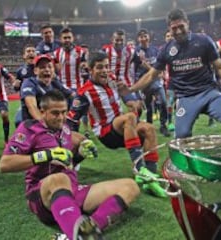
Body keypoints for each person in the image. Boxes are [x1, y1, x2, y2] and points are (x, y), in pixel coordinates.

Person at [118, 9, 221, 189]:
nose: (177, 31)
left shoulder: (203, 41)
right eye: (173, 28)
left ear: (187, 23)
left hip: (210, 93)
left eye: (180, 26)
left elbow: (220, 67)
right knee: (181, 136)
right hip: (185, 98)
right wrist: (131, 89)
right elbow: (152, 74)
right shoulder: (167, 49)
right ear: (169, 28)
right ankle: (186, 171)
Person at [0, 90, 139, 240]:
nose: (60, 118)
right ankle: (78, 233)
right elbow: (4, 164)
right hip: (41, 194)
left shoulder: (65, 129)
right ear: (42, 112)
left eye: (64, 112)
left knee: (130, 187)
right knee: (58, 178)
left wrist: (80, 153)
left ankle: (86, 230)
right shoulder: (29, 128)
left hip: (71, 190)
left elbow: (67, 162)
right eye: (55, 113)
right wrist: (45, 155)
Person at [67, 51, 167, 197]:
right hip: (106, 133)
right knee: (130, 118)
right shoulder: (84, 93)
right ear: (90, 70)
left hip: (124, 129)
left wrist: (133, 102)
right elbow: (71, 121)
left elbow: (126, 96)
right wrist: (74, 146)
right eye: (100, 67)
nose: (105, 71)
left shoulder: (112, 79)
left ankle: (151, 178)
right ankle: (140, 170)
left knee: (149, 129)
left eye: (107, 67)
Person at [134, 28, 170, 137]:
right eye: (141, 37)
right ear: (138, 39)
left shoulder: (155, 49)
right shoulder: (136, 51)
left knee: (163, 102)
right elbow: (140, 66)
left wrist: (162, 73)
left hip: (156, 81)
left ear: (149, 37)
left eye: (145, 36)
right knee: (149, 106)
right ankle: (149, 127)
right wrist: (153, 71)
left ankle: (163, 125)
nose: (144, 38)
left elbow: (161, 63)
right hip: (144, 81)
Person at [20, 54, 74, 122]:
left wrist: (67, 115)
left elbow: (71, 95)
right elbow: (31, 106)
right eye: (42, 67)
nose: (47, 69)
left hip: (53, 124)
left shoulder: (55, 83)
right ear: (35, 71)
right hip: (33, 125)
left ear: (53, 70)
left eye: (50, 67)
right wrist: (44, 125)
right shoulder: (29, 83)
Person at [102, 29, 142, 114]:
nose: (119, 42)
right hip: (109, 85)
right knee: (111, 112)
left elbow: (140, 63)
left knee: (136, 107)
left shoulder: (131, 51)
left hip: (125, 85)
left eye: (122, 40)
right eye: (117, 40)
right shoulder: (105, 50)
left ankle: (132, 124)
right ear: (112, 39)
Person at [14, 44, 37, 127]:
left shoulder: (41, 68)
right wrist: (16, 86)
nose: (31, 53)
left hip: (40, 102)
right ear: (24, 56)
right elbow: (17, 88)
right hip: (26, 104)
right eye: (28, 51)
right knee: (24, 125)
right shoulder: (20, 71)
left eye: (33, 51)